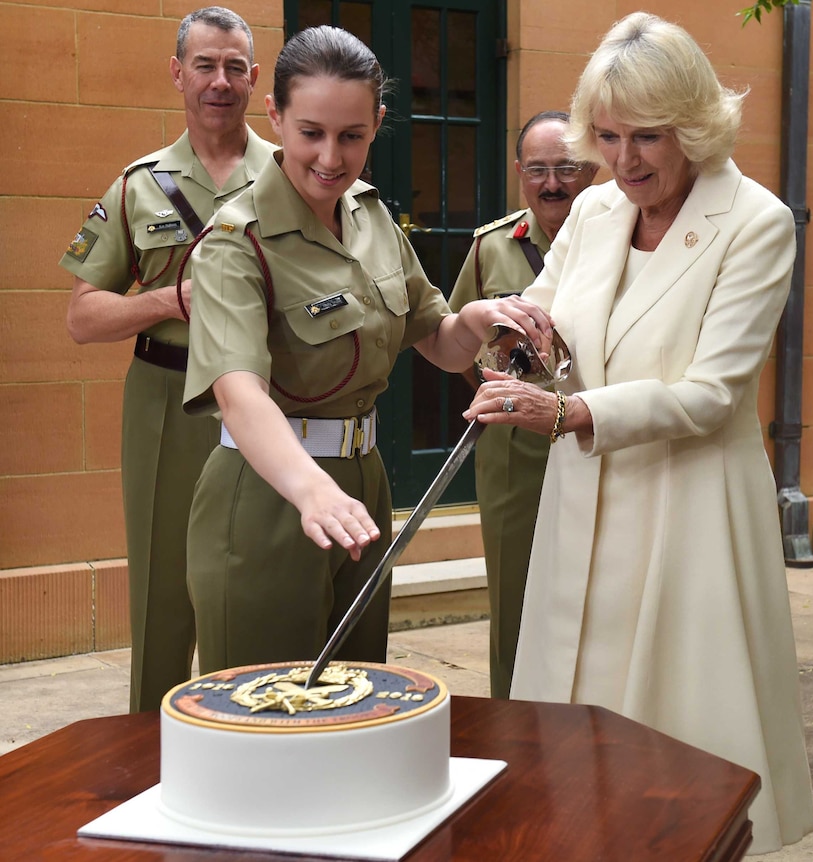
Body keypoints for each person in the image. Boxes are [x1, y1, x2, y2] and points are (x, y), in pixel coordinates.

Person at [463, 12, 813, 854]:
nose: (624, 161)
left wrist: (573, 412)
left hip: (687, 503)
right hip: (582, 498)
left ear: (694, 126)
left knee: (680, 727)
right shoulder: (592, 211)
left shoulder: (756, 224)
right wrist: (514, 332)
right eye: (609, 136)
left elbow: (712, 393)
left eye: (648, 137)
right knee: (570, 716)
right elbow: (546, 306)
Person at [181, 26, 553, 675]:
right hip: (272, 495)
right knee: (269, 712)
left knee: (353, 699)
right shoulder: (235, 241)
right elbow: (239, 394)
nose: (331, 156)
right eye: (311, 133)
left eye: (352, 136)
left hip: (364, 486)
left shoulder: (372, 216)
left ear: (378, 122)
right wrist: (312, 491)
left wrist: (476, 318)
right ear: (276, 116)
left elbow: (435, 340)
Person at [61, 7, 277, 713]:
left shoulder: (289, 177)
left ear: (255, 78)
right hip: (164, 400)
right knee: (161, 587)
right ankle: (147, 750)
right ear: (177, 73)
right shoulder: (139, 185)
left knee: (257, 580)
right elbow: (82, 317)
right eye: (206, 65)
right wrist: (167, 301)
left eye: (235, 67)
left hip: (266, 402)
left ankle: (253, 730)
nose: (221, 81)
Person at [448, 111, 597, 698]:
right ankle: (512, 720)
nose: (552, 183)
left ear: (591, 170)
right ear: (519, 173)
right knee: (515, 591)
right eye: (537, 169)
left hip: (591, 437)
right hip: (513, 454)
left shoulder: (620, 240)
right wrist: (497, 397)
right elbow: (456, 335)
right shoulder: (490, 246)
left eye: (566, 168)